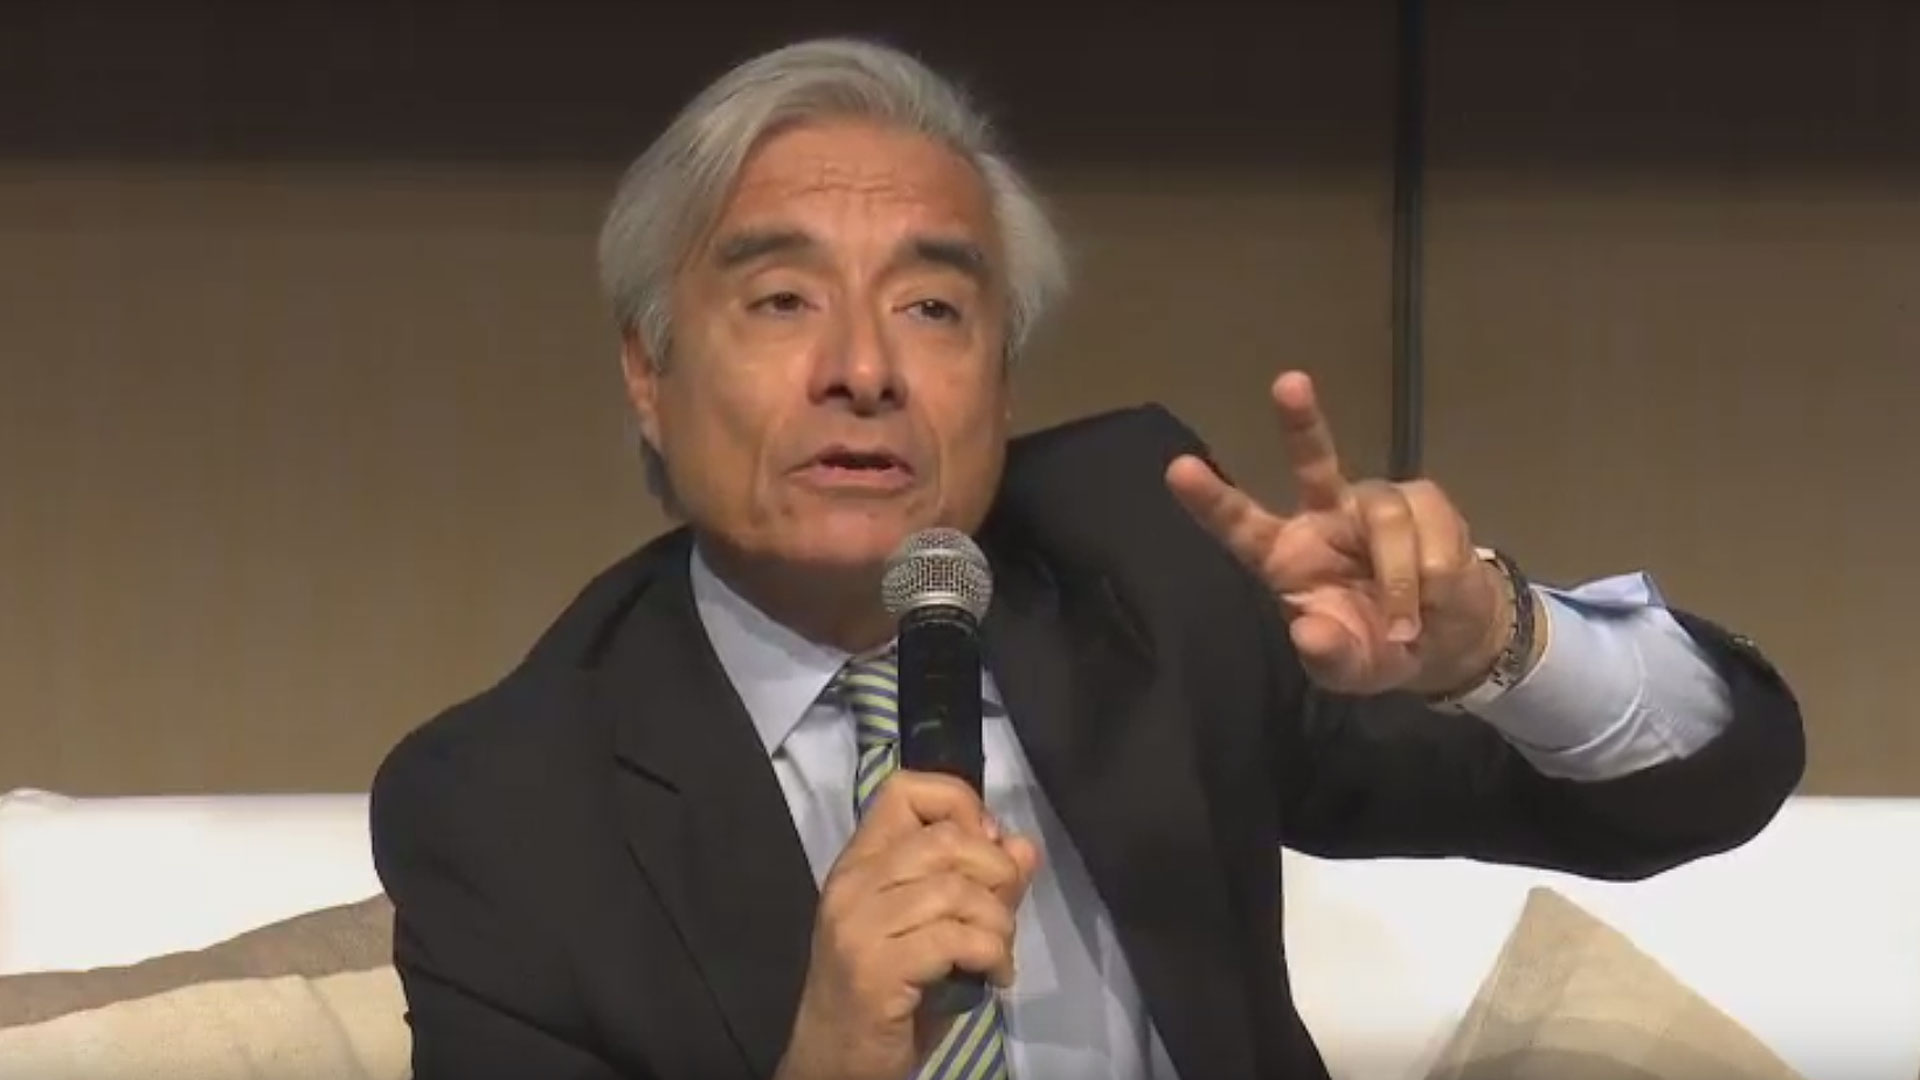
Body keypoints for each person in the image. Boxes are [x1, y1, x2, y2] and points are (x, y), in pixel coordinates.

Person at [369, 37, 1804, 1080]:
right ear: (649, 371)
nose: (864, 369)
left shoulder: (1145, 573)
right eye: (785, 299)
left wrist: (1497, 646)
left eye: (933, 309)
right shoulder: (504, 809)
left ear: (1003, 380)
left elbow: (1705, 788)